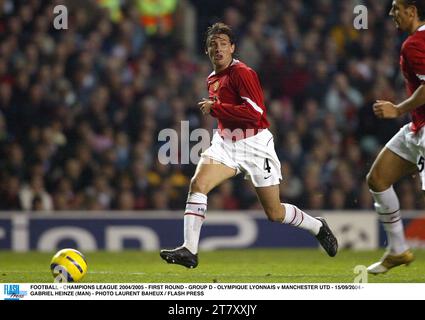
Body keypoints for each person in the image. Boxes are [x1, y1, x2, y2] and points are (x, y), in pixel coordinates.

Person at [160, 22, 338, 268]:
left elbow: (255, 113)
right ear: (207, 51)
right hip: (225, 144)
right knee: (198, 183)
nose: (219, 48)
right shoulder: (211, 78)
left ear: (233, 48)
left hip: (255, 145)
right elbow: (228, 114)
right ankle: (190, 250)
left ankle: (317, 225)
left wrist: (217, 108)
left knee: (274, 213)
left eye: (224, 44)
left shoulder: (243, 73)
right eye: (213, 45)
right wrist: (219, 114)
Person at [367, 0, 425, 274]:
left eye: (395, 8)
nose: (391, 14)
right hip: (416, 128)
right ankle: (398, 249)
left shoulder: (414, 44)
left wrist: (397, 108)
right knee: (378, 179)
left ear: (411, 11)